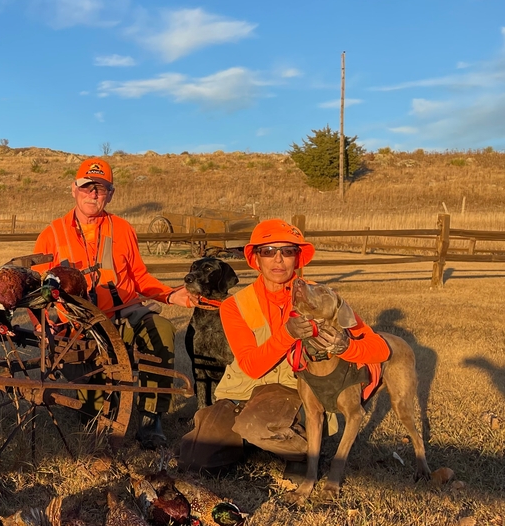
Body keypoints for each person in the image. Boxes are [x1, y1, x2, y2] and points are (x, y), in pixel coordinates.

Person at [178, 218, 390, 471]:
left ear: (297, 258)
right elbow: (251, 367)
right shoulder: (236, 305)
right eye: (268, 251)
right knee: (197, 458)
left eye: (287, 251)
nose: (278, 259)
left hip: (294, 391)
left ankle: (301, 448)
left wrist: (346, 347)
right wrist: (287, 334)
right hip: (241, 392)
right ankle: (253, 442)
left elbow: (380, 349)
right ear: (256, 259)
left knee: (258, 425)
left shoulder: (321, 298)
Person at [32, 157, 195, 442]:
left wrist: (170, 294)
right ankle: (101, 402)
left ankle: (150, 420)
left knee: (161, 330)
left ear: (111, 193)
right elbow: (36, 291)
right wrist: (42, 324)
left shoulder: (123, 229)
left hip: (121, 315)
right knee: (93, 416)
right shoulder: (52, 234)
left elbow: (140, 277)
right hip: (78, 328)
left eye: (101, 188)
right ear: (74, 189)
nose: (93, 194)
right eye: (87, 187)